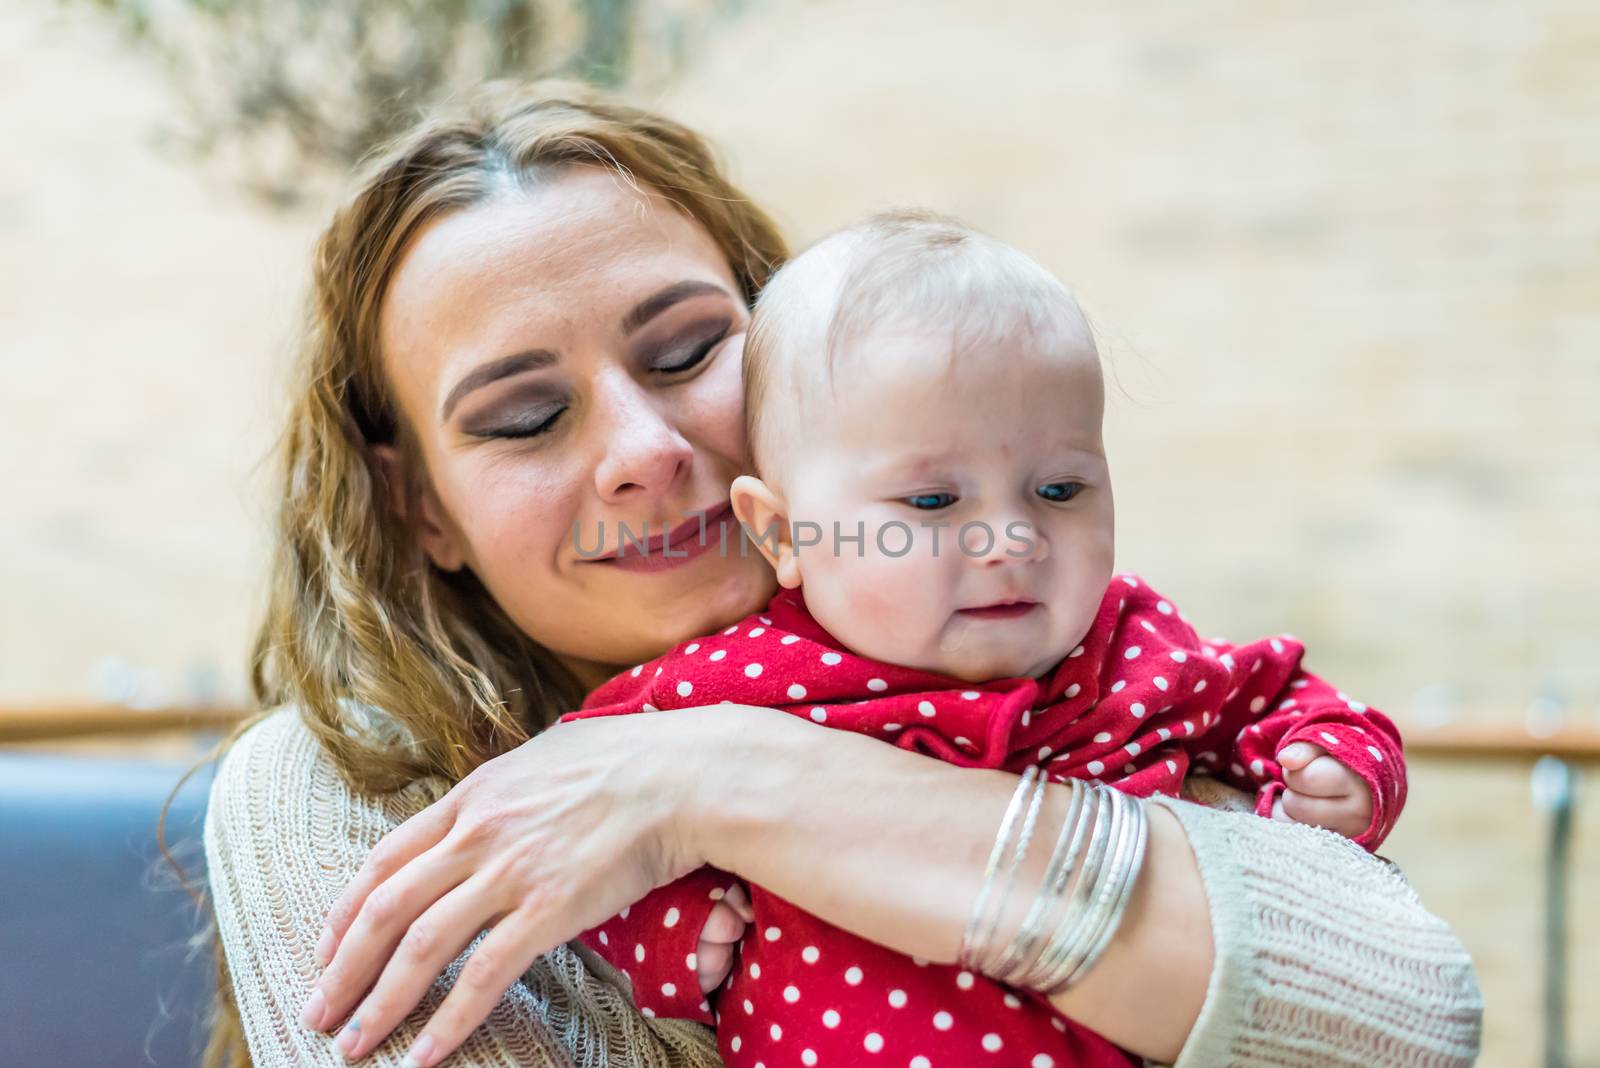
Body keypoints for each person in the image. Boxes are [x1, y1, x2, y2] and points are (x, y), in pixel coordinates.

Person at [201, 80, 1482, 1068]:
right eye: (525, 418)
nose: (646, 453)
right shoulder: (339, 789)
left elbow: (1410, 1012)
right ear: (420, 507)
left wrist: (709, 778)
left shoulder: (1024, 637)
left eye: (693, 348)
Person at [556, 211, 1409, 1067]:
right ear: (781, 534)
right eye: (932, 502)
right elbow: (581, 809)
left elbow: (1274, 691)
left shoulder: (1130, 643)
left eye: (1061, 488)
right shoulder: (737, 680)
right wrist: (663, 938)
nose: (1010, 538)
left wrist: (1339, 763)